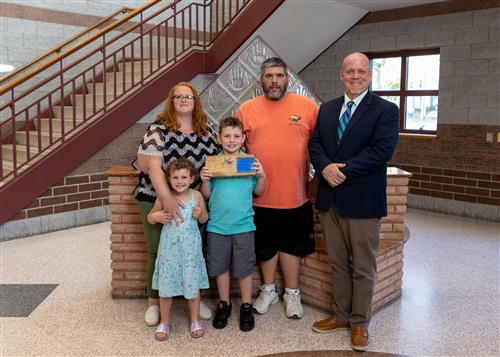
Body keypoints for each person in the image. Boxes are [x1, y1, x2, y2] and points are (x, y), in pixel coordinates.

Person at [308, 52, 399, 351]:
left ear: (370, 76)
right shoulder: (328, 108)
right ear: (341, 75)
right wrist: (324, 168)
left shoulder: (385, 110)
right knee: (337, 263)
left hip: (362, 199)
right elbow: (315, 144)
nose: (356, 76)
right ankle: (341, 315)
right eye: (350, 71)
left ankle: (360, 322)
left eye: (361, 71)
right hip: (329, 199)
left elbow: (381, 152)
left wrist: (340, 172)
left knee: (363, 266)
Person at [235, 57, 318, 319]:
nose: (274, 81)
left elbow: (318, 148)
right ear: (261, 79)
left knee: (293, 247)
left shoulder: (306, 107)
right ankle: (268, 290)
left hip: (296, 195)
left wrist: (317, 182)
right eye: (269, 76)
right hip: (259, 197)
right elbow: (236, 152)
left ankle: (292, 294)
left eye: (279, 76)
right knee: (266, 247)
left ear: (287, 79)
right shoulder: (246, 109)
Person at [134, 82, 218, 326]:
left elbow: (217, 160)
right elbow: (152, 166)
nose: (183, 100)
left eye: (188, 97)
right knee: (157, 252)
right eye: (178, 96)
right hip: (155, 198)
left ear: (195, 102)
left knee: (192, 252)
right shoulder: (158, 128)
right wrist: (168, 200)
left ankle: (194, 296)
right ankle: (154, 300)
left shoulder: (207, 129)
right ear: (171, 101)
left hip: (194, 198)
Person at [200, 117, 266, 332]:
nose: (231, 140)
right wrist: (205, 180)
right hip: (217, 227)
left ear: (243, 138)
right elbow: (206, 196)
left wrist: (262, 174)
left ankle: (246, 305)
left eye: (236, 136)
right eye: (227, 136)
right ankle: (224, 303)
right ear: (219, 138)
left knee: (244, 269)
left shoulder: (249, 162)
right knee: (221, 269)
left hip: (244, 226)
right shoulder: (213, 164)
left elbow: (259, 191)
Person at [147, 158, 209, 341]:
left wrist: (201, 214)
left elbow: (204, 219)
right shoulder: (164, 197)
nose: (180, 181)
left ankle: (195, 320)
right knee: (166, 287)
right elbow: (150, 217)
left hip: (190, 252)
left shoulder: (196, 196)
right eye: (175, 177)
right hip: (169, 252)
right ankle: (164, 322)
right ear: (169, 179)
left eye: (184, 177)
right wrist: (156, 216)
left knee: (192, 286)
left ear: (191, 179)